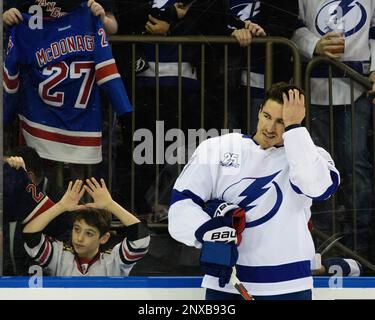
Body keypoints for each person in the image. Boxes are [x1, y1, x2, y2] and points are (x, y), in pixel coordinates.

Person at [168, 82, 340, 300]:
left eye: (281, 122)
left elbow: (318, 188)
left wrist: (294, 129)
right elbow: (180, 206)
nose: (270, 128)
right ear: (259, 111)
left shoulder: (311, 156)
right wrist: (207, 231)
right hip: (226, 282)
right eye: (267, 116)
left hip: (288, 286)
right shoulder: (217, 148)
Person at [292, 0, 374, 259]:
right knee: (317, 169)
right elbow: (292, 26)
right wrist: (313, 44)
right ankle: (320, 242)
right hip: (314, 87)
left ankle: (361, 246)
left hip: (357, 88)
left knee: (355, 165)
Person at [23, 178, 150, 276]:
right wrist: (61, 206)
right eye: (77, 229)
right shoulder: (58, 256)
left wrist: (111, 205)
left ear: (104, 238)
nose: (79, 238)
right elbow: (30, 235)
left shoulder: (114, 261)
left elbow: (141, 240)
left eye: (89, 233)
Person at [3, 0, 118, 34]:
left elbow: (113, 27)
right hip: (33, 65)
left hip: (79, 64)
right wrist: (5, 18)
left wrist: (103, 19)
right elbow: (3, 20)